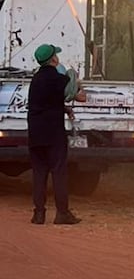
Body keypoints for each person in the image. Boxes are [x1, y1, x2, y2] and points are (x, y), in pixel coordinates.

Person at [28, 43, 87, 225]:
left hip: (36, 134)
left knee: (39, 173)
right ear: (53, 59)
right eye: (56, 55)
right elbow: (78, 95)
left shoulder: (35, 79)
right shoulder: (59, 79)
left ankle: (39, 214)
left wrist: (64, 108)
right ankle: (62, 213)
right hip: (54, 134)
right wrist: (78, 85)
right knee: (59, 172)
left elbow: (44, 102)